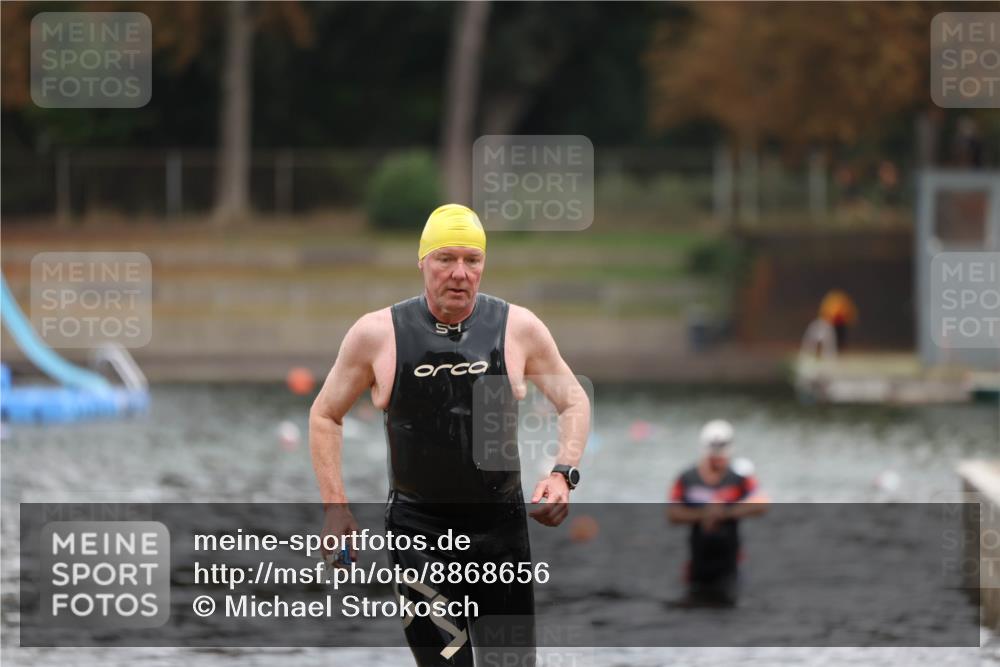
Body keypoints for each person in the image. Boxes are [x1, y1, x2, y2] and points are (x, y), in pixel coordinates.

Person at [310, 203, 590, 666]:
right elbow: (325, 415)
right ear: (422, 262)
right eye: (445, 259)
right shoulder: (378, 334)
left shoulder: (517, 328)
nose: (459, 273)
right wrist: (335, 508)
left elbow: (574, 400)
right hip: (420, 534)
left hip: (500, 530)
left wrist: (562, 473)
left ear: (483, 264)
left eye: (472, 260)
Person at [667, 419, 769, 607]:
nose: (719, 459)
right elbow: (673, 513)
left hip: (729, 563)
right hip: (698, 563)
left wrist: (725, 512)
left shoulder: (739, 477)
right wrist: (704, 514)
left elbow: (761, 503)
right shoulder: (687, 477)